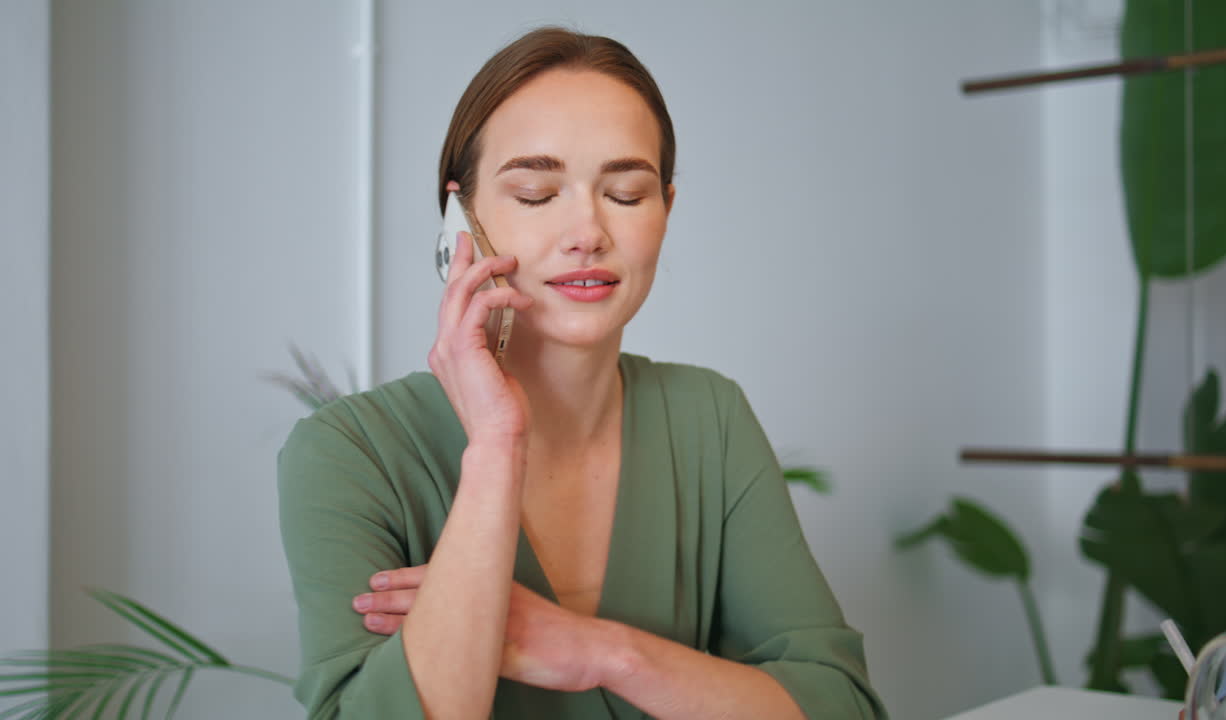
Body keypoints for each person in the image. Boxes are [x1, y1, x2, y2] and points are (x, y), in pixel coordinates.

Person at [277, 26, 887, 720]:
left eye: (627, 194)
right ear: (459, 218)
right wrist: (496, 451)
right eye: (537, 194)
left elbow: (842, 707)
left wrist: (602, 653)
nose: (588, 231)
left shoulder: (709, 419)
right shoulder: (347, 451)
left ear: (666, 211)